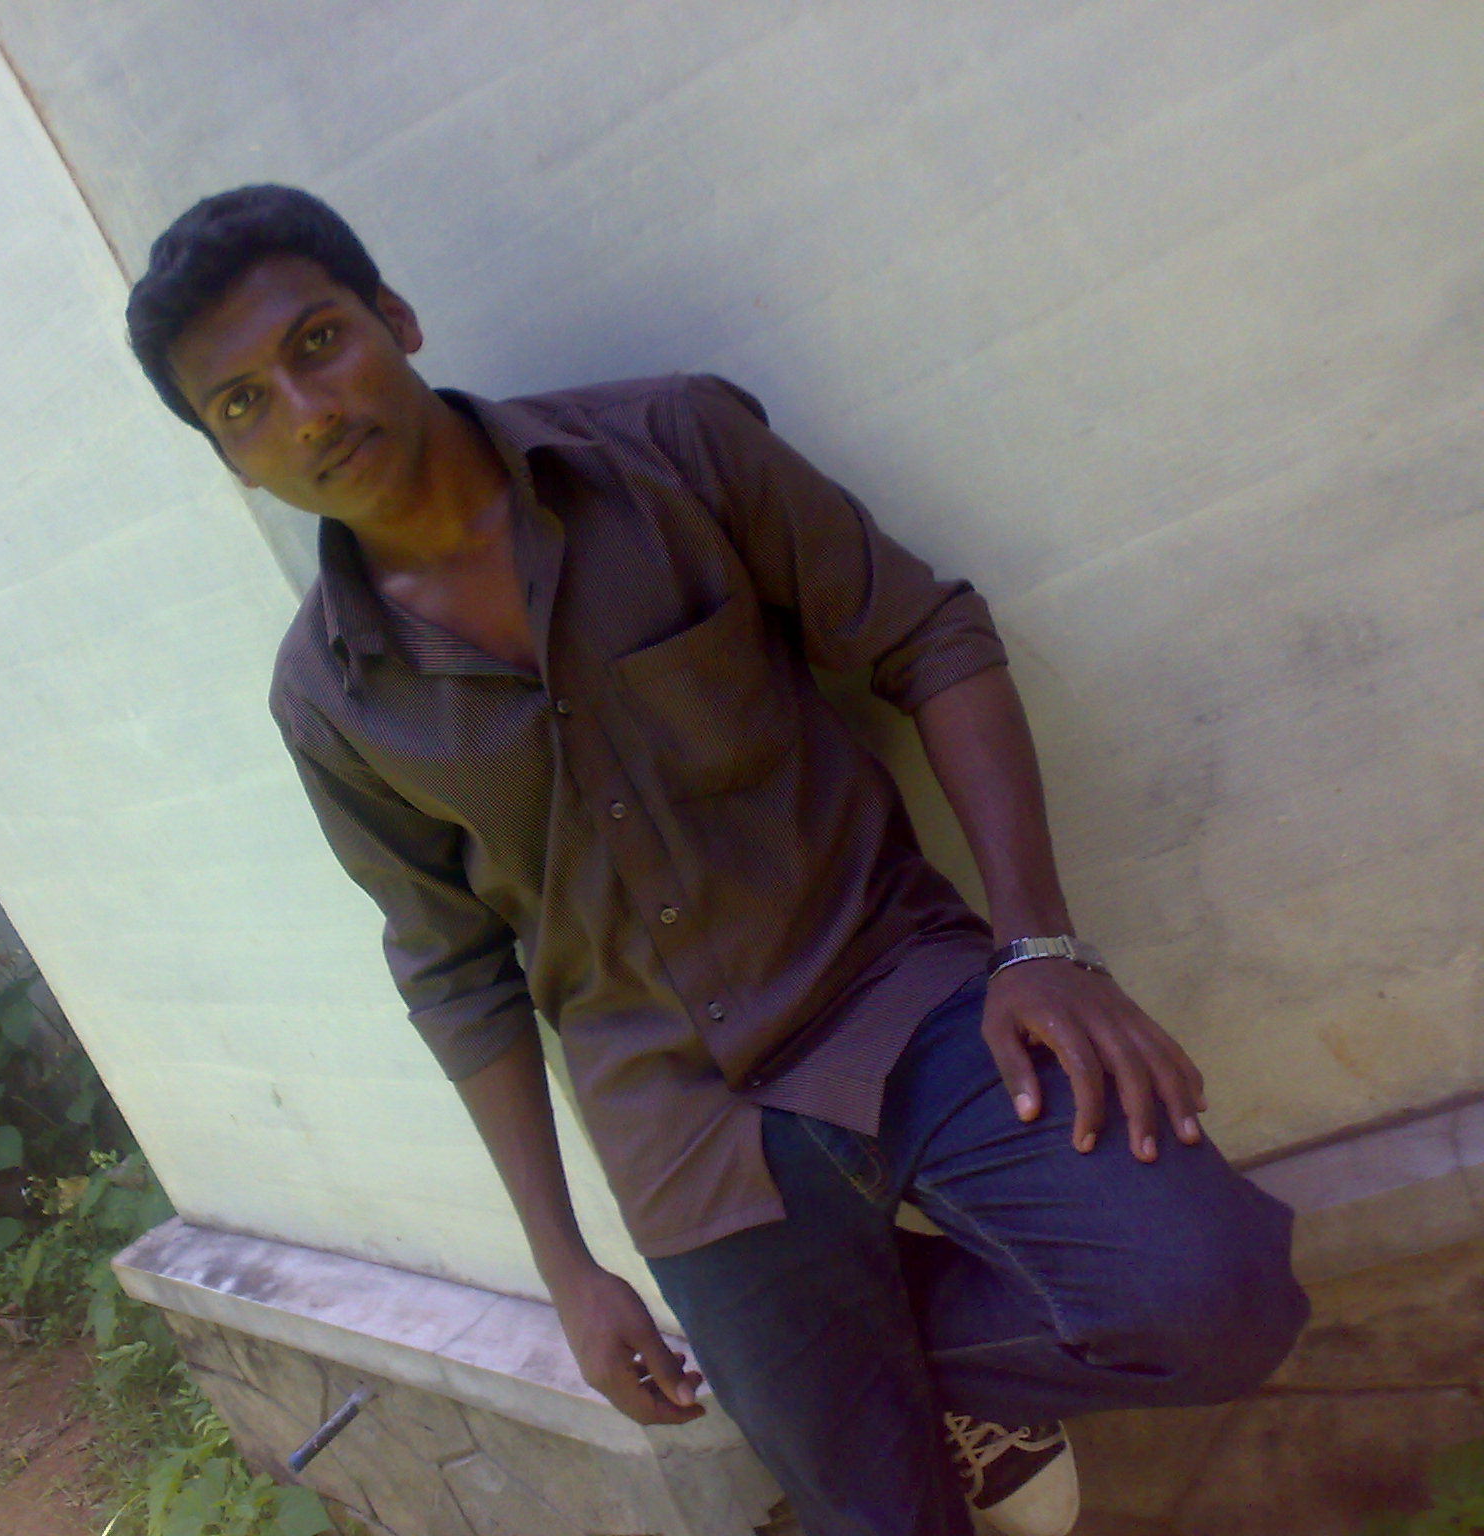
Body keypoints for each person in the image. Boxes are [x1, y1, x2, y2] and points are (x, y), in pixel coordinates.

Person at [125, 184, 1308, 1536]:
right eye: (243, 404)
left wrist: (1038, 944)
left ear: (394, 317)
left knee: (1213, 1303)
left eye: (318, 342)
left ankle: (860, 1390)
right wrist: (566, 1266)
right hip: (679, 1123)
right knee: (882, 1518)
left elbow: (927, 634)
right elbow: (452, 968)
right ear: (233, 459)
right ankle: (852, 1407)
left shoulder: (669, 446)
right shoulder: (329, 700)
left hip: (894, 997)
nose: (305, 410)